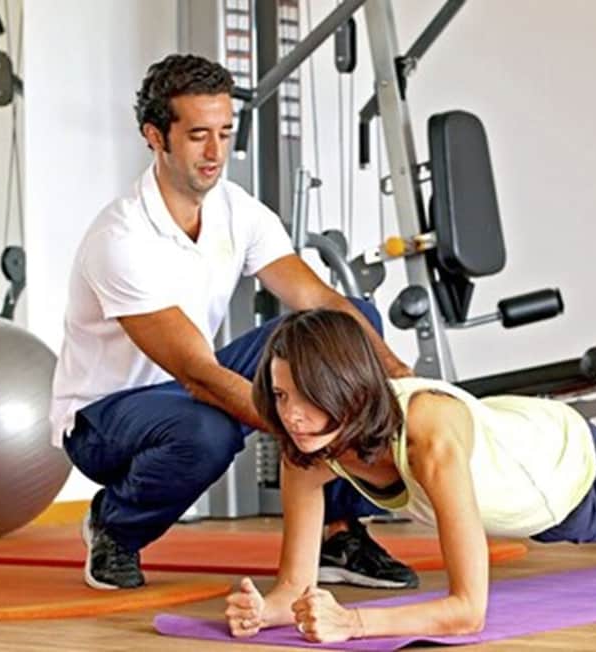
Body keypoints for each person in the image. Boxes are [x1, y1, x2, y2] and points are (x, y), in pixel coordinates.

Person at [49, 54, 419, 591]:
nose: (215, 153)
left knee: (347, 325)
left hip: (187, 386)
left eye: (224, 132)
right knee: (208, 432)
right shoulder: (121, 238)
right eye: (198, 135)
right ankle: (115, 526)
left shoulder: (236, 210)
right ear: (155, 136)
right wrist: (313, 433)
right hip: (106, 418)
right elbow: (198, 373)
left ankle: (337, 533)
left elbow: (317, 298)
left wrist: (400, 377)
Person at [223, 309, 596, 643]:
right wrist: (266, 610)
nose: (292, 415)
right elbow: (295, 587)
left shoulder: (429, 436)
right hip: (516, 472)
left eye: (307, 396)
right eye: (281, 395)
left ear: (347, 388)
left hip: (568, 471)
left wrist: (352, 622)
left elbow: (467, 611)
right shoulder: (307, 452)